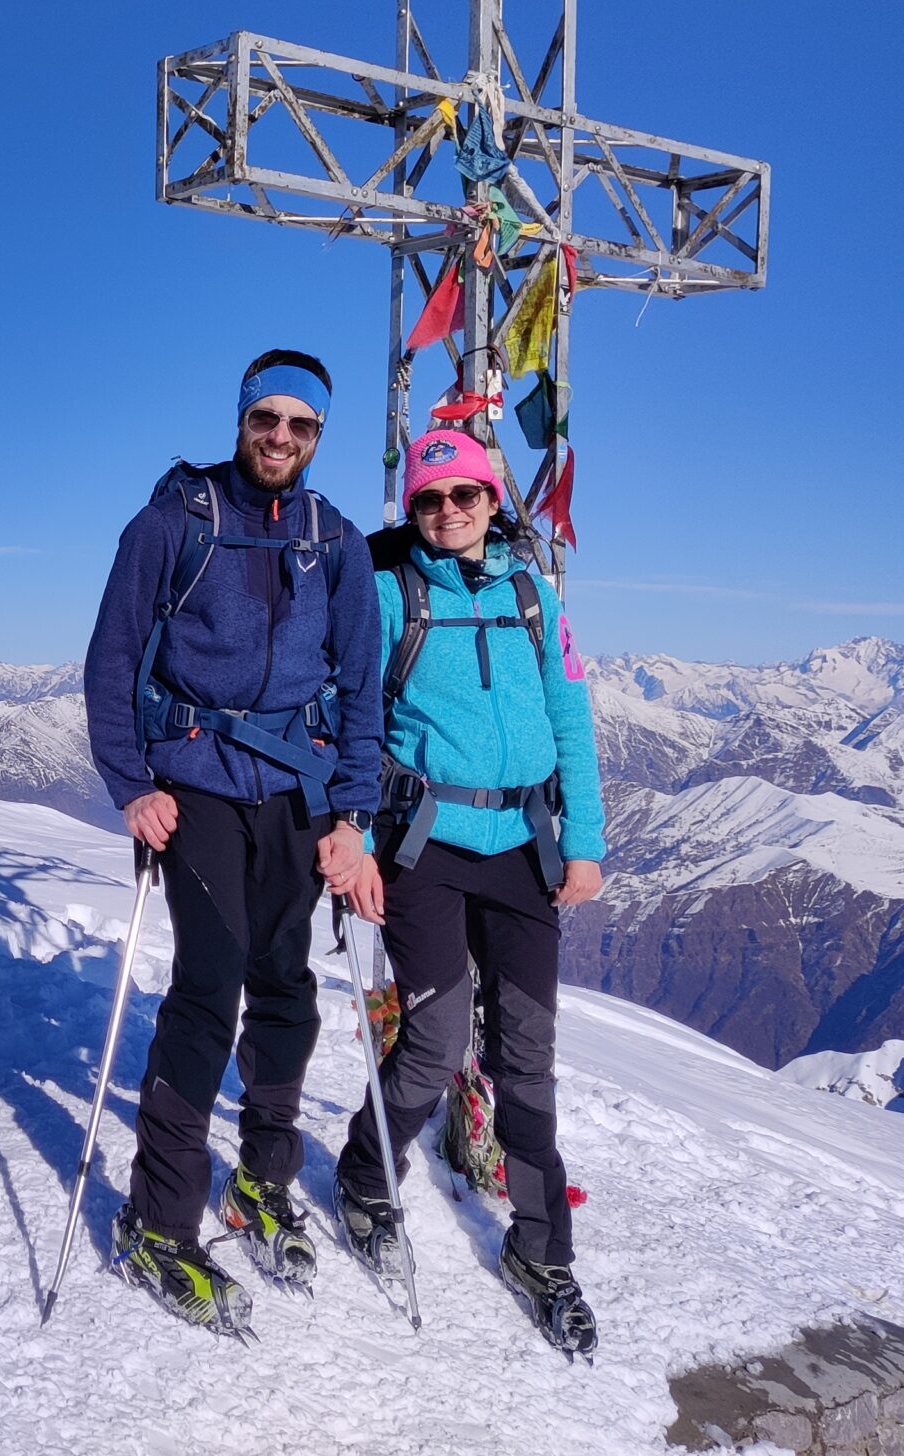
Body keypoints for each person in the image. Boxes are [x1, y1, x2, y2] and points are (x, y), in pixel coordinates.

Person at [82, 349, 384, 1336]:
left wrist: (349, 815)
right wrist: (132, 786)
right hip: (200, 781)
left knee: (287, 986)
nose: (281, 439)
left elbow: (362, 686)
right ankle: (156, 1219)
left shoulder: (331, 542)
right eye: (267, 419)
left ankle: (261, 1179)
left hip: (294, 791)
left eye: (301, 427)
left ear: (318, 438)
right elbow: (114, 655)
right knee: (209, 987)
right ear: (241, 418)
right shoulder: (175, 520)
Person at [332, 426, 605, 1354]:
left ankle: (541, 1251)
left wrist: (586, 842)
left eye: (466, 497)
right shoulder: (384, 591)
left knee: (527, 1054)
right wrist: (358, 843)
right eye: (429, 500)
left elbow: (572, 717)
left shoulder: (535, 594)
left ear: (494, 502)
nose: (448, 513)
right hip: (425, 845)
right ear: (411, 510)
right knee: (439, 1037)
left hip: (523, 846)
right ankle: (368, 1173)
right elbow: (355, 723)